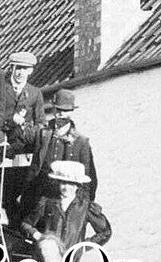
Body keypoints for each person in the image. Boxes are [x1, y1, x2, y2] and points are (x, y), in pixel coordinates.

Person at [10, 89, 98, 217]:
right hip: (40, 196)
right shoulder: (43, 133)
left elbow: (90, 179)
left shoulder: (81, 142)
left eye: (65, 111)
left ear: (71, 112)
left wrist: (82, 206)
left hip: (64, 201)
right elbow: (22, 141)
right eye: (58, 110)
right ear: (54, 110)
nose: (61, 114)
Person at [21, 161, 111, 251]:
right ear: (57, 183)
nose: (66, 188)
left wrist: (83, 247)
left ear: (78, 185)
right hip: (48, 258)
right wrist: (37, 235)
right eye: (63, 183)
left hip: (71, 261)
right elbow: (26, 224)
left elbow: (105, 231)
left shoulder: (85, 207)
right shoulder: (47, 203)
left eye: (71, 184)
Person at [1, 50, 46, 222]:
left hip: (25, 152)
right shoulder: (2, 89)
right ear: (12, 68)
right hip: (5, 145)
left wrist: (33, 132)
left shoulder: (35, 93)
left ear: (31, 71)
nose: (20, 73)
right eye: (17, 68)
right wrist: (10, 120)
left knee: (26, 189)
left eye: (24, 69)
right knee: (5, 191)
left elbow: (41, 121)